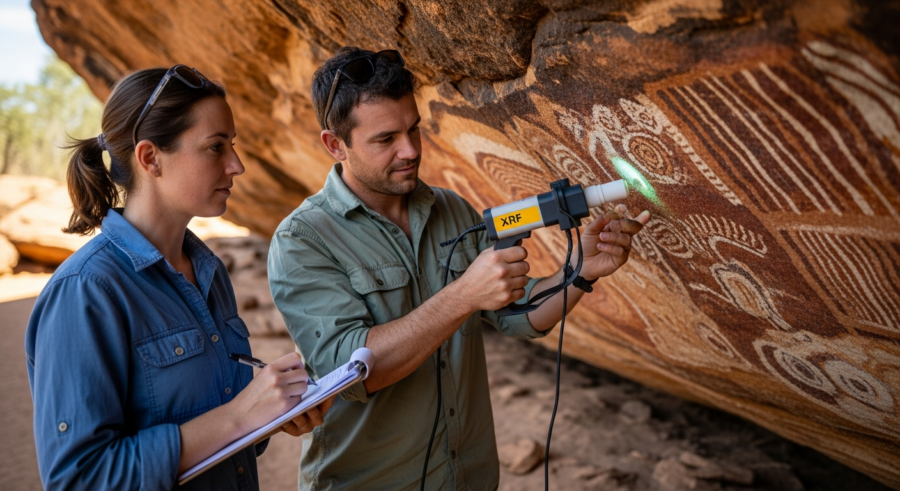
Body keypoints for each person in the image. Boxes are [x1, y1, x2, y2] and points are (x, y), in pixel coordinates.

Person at [267, 47, 651, 490]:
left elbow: (517, 317)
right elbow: (349, 373)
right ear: (336, 144)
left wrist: (580, 270)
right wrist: (465, 293)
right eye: (385, 139)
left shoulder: (451, 209)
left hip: (467, 477)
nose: (410, 150)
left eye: (413, 129)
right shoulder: (303, 240)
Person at [25, 65, 334, 490]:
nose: (237, 165)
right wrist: (241, 415)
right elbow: (81, 478)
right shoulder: (85, 292)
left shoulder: (209, 273)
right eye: (215, 147)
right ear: (151, 158)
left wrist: (273, 414)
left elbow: (222, 427)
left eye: (234, 146)